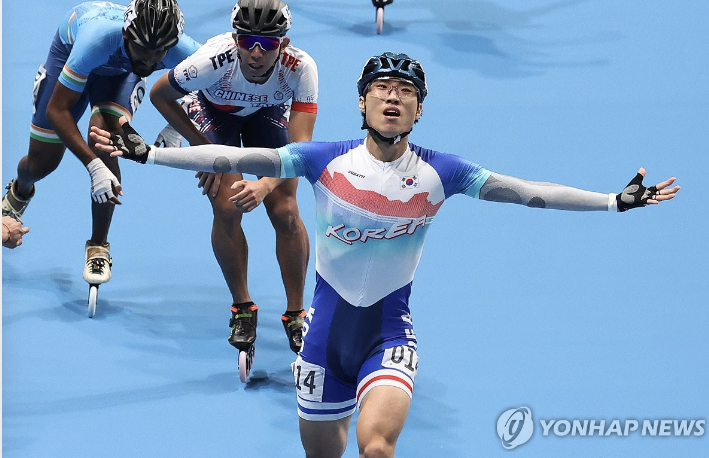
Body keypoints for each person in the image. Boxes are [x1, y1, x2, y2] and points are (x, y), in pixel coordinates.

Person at [91, 52, 680, 458]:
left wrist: (611, 202)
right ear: (363, 102)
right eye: (383, 90)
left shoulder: (441, 172)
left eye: (406, 93)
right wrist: (150, 157)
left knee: (376, 447)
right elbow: (235, 160)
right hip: (322, 339)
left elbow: (526, 192)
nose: (394, 99)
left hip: (387, 333)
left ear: (419, 109)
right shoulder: (322, 158)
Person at [149, 0, 316, 354]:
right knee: (227, 207)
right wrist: (202, 152)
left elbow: (302, 150)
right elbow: (158, 94)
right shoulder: (210, 62)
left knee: (285, 211)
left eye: (268, 44)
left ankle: (296, 313)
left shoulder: (301, 68)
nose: (256, 53)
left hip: (265, 114)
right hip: (213, 113)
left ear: (283, 44)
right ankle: (242, 307)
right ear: (235, 38)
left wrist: (267, 183)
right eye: (246, 41)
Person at [1, 0, 200, 287]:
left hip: (121, 76)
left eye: (159, 52)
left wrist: (176, 124)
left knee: (104, 139)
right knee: (41, 164)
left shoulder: (187, 51)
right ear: (127, 36)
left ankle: (98, 246)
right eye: (142, 49)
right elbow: (57, 111)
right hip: (71, 55)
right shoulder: (97, 39)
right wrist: (92, 167)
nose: (149, 60)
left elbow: (215, 84)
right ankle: (20, 191)